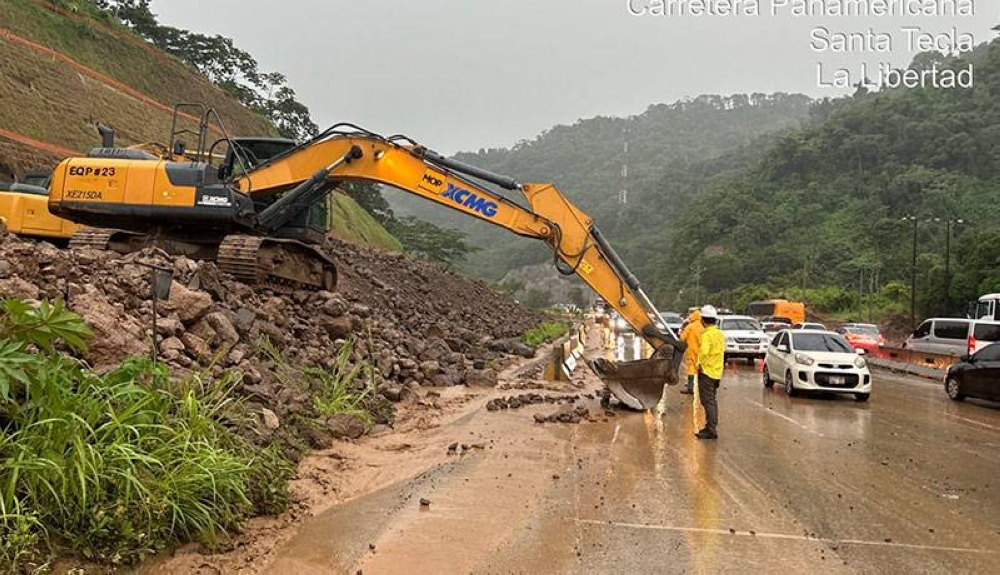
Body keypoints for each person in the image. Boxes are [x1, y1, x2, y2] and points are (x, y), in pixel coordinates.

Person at [695, 304, 725, 440]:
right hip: (717, 373)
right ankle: (710, 426)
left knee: (708, 401)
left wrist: (699, 364)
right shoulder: (719, 334)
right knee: (710, 400)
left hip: (707, 372)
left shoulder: (707, 335)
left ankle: (711, 430)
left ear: (703, 320)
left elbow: (704, 352)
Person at [678, 309, 704, 394]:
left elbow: (682, 338)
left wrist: (682, 331)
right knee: (702, 369)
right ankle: (702, 388)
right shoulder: (703, 327)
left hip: (692, 350)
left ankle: (690, 388)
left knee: (691, 369)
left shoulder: (690, 326)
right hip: (702, 351)